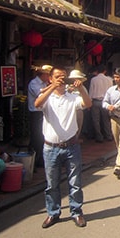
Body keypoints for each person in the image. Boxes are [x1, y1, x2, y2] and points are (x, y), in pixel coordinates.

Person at [34, 65, 91, 229]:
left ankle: (77, 212)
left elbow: (87, 104)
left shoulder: (72, 96)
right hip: (50, 147)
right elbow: (37, 104)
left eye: (63, 76)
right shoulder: (46, 96)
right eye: (57, 76)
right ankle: (53, 213)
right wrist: (52, 87)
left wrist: (82, 89)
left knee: (75, 182)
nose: (61, 79)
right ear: (50, 78)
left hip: (71, 146)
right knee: (52, 184)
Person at [27, 64, 52, 168]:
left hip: (44, 112)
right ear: (44, 75)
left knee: (43, 136)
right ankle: (35, 161)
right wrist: (52, 86)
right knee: (37, 137)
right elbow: (40, 94)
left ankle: (41, 159)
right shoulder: (34, 83)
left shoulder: (45, 83)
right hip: (36, 113)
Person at [88, 64, 113, 143]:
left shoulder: (94, 79)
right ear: (105, 71)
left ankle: (99, 136)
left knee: (96, 120)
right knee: (106, 120)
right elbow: (111, 92)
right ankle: (108, 135)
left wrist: (89, 102)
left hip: (95, 101)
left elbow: (91, 92)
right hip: (105, 101)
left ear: (97, 71)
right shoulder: (109, 79)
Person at [67, 69, 88, 138]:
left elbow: (87, 100)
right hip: (67, 110)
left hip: (78, 110)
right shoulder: (66, 87)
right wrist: (68, 92)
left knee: (78, 128)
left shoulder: (82, 88)